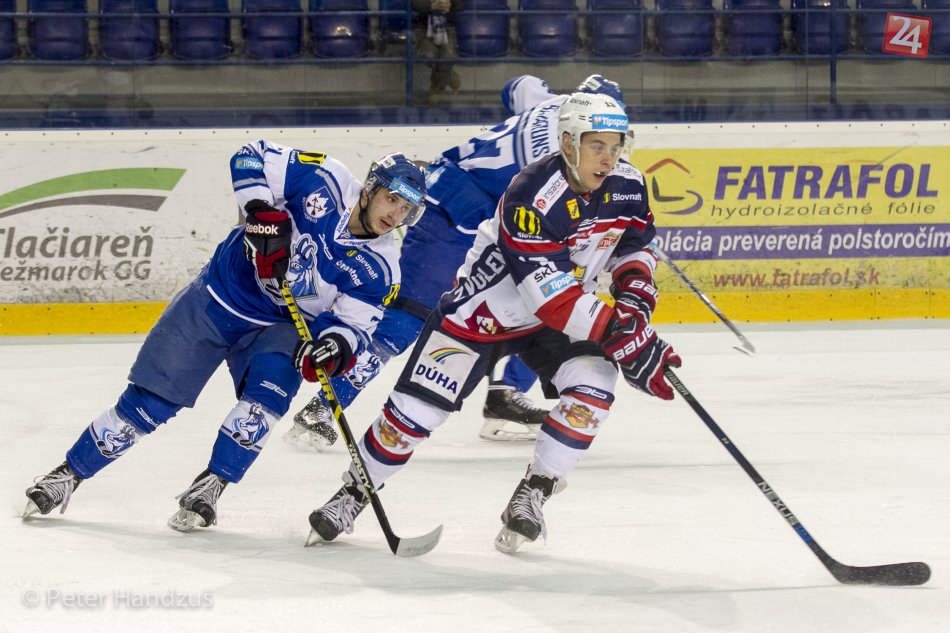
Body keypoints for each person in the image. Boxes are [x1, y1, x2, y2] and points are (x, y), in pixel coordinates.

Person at [304, 92, 682, 554]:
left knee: (594, 386)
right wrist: (626, 337)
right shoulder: (532, 192)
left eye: (616, 146)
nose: (609, 157)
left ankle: (534, 492)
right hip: (480, 317)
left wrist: (636, 303)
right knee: (410, 418)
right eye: (596, 145)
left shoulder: (629, 184)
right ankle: (353, 494)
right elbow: (549, 297)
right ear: (568, 143)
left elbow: (635, 245)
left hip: (550, 322)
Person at [21, 141, 427, 532]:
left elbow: (355, 326)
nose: (395, 214)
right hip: (220, 296)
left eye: (406, 209)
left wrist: (335, 344)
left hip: (283, 325)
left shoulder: (382, 266)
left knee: (264, 404)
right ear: (370, 188)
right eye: (391, 199)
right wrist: (259, 210)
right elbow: (250, 156)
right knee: (151, 402)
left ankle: (211, 486)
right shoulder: (325, 179)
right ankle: (68, 474)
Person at [284, 73, 628, 450]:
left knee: (535, 306)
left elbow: (517, 86)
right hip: (455, 213)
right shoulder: (566, 155)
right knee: (408, 318)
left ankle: (504, 393)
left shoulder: (549, 104)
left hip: (479, 216)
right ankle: (322, 405)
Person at [411, 0, 464, 105]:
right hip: (422, 27)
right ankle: (448, 75)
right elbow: (414, 3)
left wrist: (450, 4)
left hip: (447, 26)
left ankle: (435, 88)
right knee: (428, 56)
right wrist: (431, 6)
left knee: (448, 56)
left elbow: (461, 4)